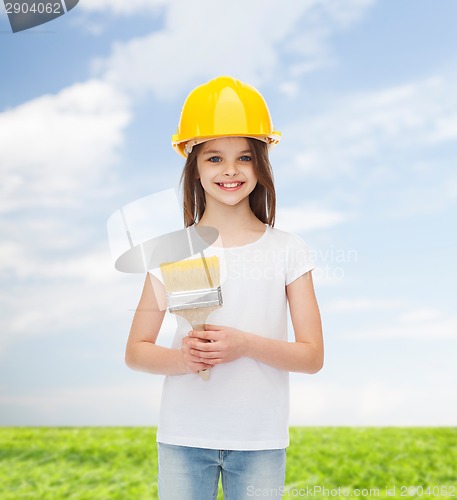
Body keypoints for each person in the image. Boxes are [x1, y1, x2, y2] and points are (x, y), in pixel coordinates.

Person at [125, 76, 324, 499]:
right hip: (183, 436)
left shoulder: (288, 249)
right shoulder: (173, 251)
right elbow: (136, 350)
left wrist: (244, 345)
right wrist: (185, 359)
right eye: (214, 158)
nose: (230, 170)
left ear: (261, 165)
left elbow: (311, 357)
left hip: (259, 441)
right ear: (194, 167)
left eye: (245, 158)